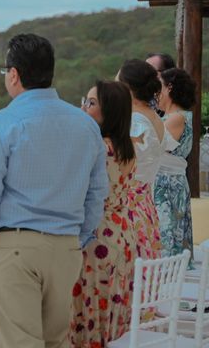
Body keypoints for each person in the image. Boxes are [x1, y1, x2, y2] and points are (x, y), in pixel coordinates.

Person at [0, 34, 108, 348]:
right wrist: (79, 238)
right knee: (55, 342)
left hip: (12, 247)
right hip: (65, 249)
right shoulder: (85, 126)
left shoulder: (5, 122)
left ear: (14, 75)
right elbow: (97, 193)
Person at [70, 81, 139, 347]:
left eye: (91, 103)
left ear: (109, 110)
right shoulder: (128, 147)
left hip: (95, 236)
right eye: (85, 101)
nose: (84, 108)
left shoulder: (97, 147)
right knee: (111, 313)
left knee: (88, 313)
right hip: (123, 235)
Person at [117, 59, 177, 260]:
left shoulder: (134, 122)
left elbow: (121, 168)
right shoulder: (155, 118)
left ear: (127, 88)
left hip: (128, 209)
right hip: (145, 206)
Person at [154, 67, 196, 257]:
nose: (156, 94)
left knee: (168, 235)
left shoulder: (176, 118)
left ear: (169, 88)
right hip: (170, 182)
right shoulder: (173, 117)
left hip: (167, 184)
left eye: (159, 87)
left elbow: (150, 147)